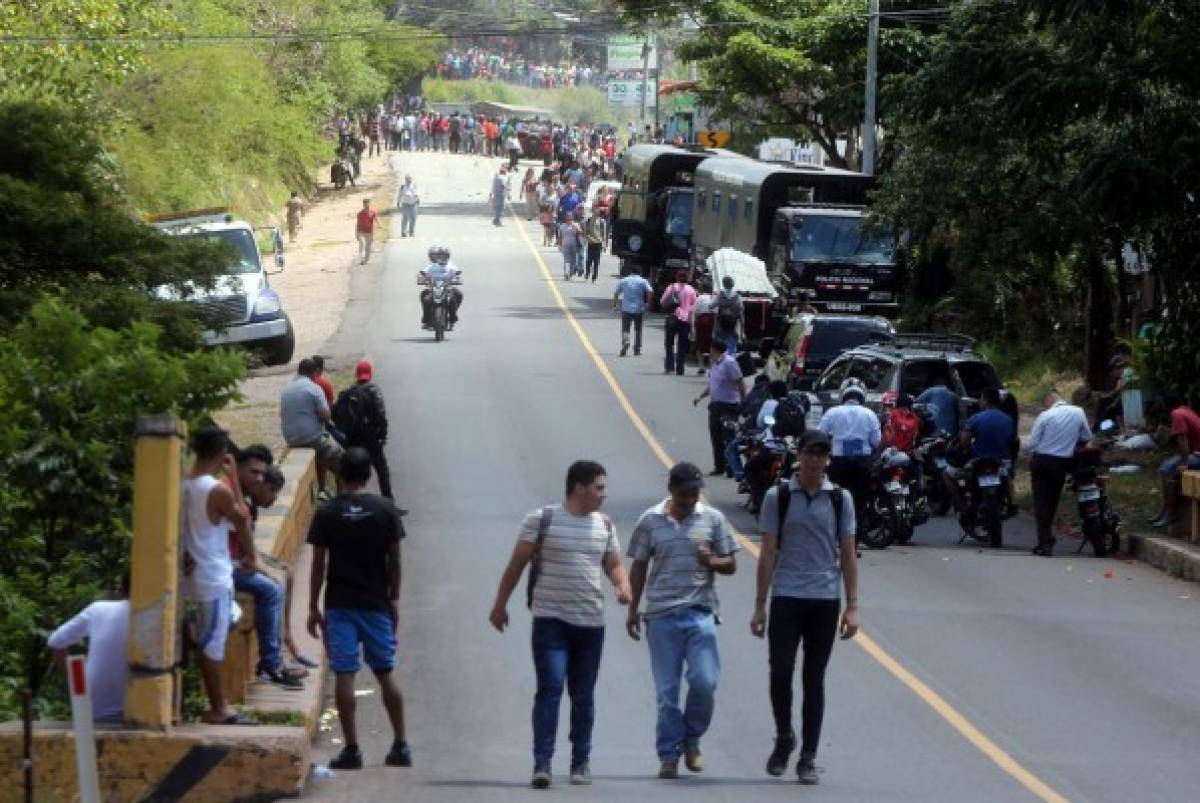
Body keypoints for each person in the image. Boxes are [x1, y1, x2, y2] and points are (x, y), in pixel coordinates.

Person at [488, 461, 632, 789]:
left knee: (583, 694)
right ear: (579, 488)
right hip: (551, 620)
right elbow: (516, 565)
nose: (603, 494)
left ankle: (581, 762)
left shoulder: (605, 525)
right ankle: (542, 763)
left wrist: (623, 585)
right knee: (550, 689)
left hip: (590, 623)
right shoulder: (542, 520)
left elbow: (614, 564)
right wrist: (500, 605)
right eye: (598, 488)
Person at [753, 430, 859, 785]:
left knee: (814, 679)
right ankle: (784, 736)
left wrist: (852, 606)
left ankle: (808, 757)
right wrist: (759, 605)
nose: (815, 459)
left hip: (825, 599)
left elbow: (848, 552)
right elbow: (767, 552)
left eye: (822, 453)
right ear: (798, 455)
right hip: (786, 595)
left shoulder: (840, 499)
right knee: (780, 672)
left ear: (829, 458)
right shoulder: (778, 496)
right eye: (810, 452)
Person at [626, 462, 738, 779]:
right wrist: (633, 608)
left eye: (695, 492)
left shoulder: (712, 519)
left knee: (704, 682)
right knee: (667, 692)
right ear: (671, 489)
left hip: (700, 612)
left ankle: (692, 739)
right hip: (661, 615)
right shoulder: (650, 521)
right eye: (685, 493)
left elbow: (730, 564)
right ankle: (668, 754)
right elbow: (639, 567)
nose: (690, 499)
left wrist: (712, 560)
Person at [307, 447, 411, 770]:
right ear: (368, 475)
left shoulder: (327, 513)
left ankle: (352, 749)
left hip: (340, 604)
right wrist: (394, 598)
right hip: (376, 603)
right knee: (385, 672)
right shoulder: (385, 510)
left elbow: (318, 564)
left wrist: (312, 605)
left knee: (345, 673)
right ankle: (401, 744)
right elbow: (394, 560)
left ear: (340, 474)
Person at [183, 425, 256, 725]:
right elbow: (242, 518)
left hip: (192, 573)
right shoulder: (215, 489)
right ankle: (218, 707)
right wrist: (252, 556)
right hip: (212, 576)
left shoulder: (182, 484)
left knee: (225, 623)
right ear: (221, 452)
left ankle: (210, 696)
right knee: (211, 642)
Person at [226, 444, 307, 689]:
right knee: (271, 589)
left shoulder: (239, 494)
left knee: (283, 577)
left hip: (233, 561)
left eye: (262, 474)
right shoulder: (227, 493)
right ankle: (271, 662)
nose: (258, 479)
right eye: (254, 473)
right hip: (225, 565)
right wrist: (257, 565)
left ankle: (282, 647)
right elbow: (242, 537)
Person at [47, 575, 131, 723]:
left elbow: (56, 642)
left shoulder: (98, 609)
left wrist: (75, 682)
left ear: (121, 589)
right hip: (142, 716)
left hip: (92, 712)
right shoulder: (160, 616)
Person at [944, 388, 1015, 546]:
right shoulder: (1008, 420)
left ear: (985, 399)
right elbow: (1012, 441)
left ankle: (963, 509)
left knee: (948, 475)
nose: (980, 401)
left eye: (981, 398)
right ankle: (1011, 502)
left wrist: (966, 446)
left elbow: (964, 441)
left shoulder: (976, 418)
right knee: (1009, 479)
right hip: (1002, 463)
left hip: (979, 462)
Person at [1026, 390, 1092, 556]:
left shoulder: (1045, 416)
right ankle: (1046, 539)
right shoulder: (1078, 412)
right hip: (1062, 463)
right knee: (1052, 500)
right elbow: (1086, 436)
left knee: (1041, 503)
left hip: (1041, 462)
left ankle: (1045, 541)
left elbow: (1031, 444)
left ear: (1048, 401)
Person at [818, 379, 882, 526]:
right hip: (862, 465)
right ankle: (854, 542)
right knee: (859, 503)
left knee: (834, 500)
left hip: (837, 465)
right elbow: (876, 442)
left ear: (843, 395)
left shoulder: (832, 412)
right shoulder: (870, 414)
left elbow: (820, 435)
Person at [280, 358, 344, 499]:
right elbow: (326, 415)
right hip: (311, 438)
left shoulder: (286, 388)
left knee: (323, 450)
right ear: (315, 372)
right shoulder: (314, 388)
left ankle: (322, 489)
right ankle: (340, 501)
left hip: (290, 438)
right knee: (343, 462)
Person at [333, 360, 392, 500]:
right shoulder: (373, 390)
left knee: (352, 468)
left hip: (352, 437)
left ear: (356, 374)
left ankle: (347, 499)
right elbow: (381, 414)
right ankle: (388, 500)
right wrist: (382, 434)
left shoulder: (349, 391)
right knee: (381, 469)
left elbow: (336, 414)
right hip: (371, 437)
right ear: (370, 373)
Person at [693, 340, 746, 476]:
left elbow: (740, 383)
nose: (709, 352)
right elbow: (713, 385)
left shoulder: (729, 363)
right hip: (716, 405)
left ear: (715, 350)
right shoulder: (716, 364)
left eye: (711, 349)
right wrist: (700, 396)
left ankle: (732, 468)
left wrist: (743, 403)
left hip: (728, 406)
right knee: (715, 436)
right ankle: (719, 466)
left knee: (728, 437)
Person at [1150, 399, 1200, 528]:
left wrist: (1184, 463)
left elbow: (1182, 441)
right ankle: (1165, 509)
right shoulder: (1186, 411)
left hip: (1197, 455)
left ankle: (1171, 513)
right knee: (1167, 465)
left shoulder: (1176, 414)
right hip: (1196, 453)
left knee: (1168, 469)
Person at [661, 270, 698, 376]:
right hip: (685, 320)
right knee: (681, 346)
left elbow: (662, 301)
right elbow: (694, 306)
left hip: (672, 318)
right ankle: (680, 369)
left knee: (669, 344)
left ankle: (669, 367)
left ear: (677, 277)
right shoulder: (691, 290)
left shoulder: (671, 287)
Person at [419, 245, 463, 329]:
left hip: (447, 288)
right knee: (425, 298)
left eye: (445, 255)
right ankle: (427, 320)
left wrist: (457, 279)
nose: (442, 257)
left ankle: (452, 319)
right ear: (437, 256)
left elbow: (457, 274)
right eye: (440, 255)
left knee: (456, 296)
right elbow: (423, 274)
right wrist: (422, 279)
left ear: (448, 256)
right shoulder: (431, 266)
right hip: (433, 288)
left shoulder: (451, 266)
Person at [613, 266, 653, 357]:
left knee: (625, 328)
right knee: (638, 329)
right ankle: (637, 349)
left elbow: (616, 293)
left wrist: (615, 305)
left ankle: (626, 342)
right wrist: (648, 303)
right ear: (640, 273)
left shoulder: (624, 280)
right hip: (639, 309)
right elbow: (650, 291)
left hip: (626, 309)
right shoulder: (643, 281)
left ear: (631, 272)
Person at [712, 276, 743, 357]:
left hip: (721, 324)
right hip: (733, 325)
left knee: (720, 346)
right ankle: (730, 361)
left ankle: (722, 362)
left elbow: (711, 306)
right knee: (732, 347)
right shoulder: (737, 297)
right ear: (733, 284)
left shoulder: (720, 295)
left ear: (723, 284)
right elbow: (741, 312)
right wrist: (742, 331)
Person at [558, 212, 584, 281]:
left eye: (570, 217)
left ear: (572, 217)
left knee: (573, 260)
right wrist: (559, 245)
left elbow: (581, 233)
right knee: (567, 260)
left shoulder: (576, 224)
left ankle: (571, 273)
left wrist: (576, 228)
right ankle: (567, 274)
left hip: (574, 245)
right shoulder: (562, 226)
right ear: (565, 218)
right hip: (565, 245)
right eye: (567, 217)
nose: (569, 219)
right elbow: (560, 236)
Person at [583, 206, 606, 283]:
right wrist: (588, 239)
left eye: (597, 211)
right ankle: (587, 274)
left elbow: (604, 233)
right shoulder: (589, 220)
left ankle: (594, 277)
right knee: (589, 260)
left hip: (598, 242)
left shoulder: (602, 221)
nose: (596, 212)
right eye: (594, 210)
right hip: (590, 242)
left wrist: (604, 243)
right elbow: (586, 232)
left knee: (596, 261)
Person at [356, 198, 378, 264]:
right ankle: (362, 258)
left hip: (369, 231)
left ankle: (366, 260)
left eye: (367, 203)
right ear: (363, 205)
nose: (366, 205)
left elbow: (376, 220)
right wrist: (357, 233)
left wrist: (378, 227)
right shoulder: (360, 213)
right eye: (365, 203)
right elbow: (357, 223)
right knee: (362, 243)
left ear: (369, 204)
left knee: (368, 246)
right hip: (361, 231)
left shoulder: (373, 212)